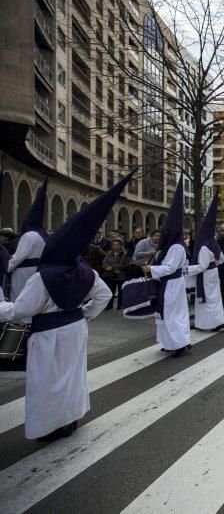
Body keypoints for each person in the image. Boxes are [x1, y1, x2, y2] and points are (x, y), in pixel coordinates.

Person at [0, 172, 131, 440]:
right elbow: (104, 296)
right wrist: (84, 315)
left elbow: (20, 311)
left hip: (48, 335)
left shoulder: (42, 277)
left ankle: (49, 426)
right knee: (72, 376)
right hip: (76, 329)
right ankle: (70, 419)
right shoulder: (84, 270)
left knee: (46, 382)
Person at [143, 175, 191, 357]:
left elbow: (170, 267)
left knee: (172, 314)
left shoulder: (177, 247)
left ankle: (178, 343)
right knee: (167, 314)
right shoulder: (171, 246)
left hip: (172, 284)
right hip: (169, 284)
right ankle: (170, 342)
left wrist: (151, 269)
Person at [187, 192, 224, 331]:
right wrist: (213, 266)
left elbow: (202, 266)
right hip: (213, 273)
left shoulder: (203, 247)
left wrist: (188, 269)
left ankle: (208, 323)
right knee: (215, 298)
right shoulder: (214, 243)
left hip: (206, 275)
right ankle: (219, 320)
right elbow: (221, 259)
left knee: (207, 299)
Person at [8, 178, 49, 302]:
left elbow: (19, 256)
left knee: (21, 298)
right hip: (38, 271)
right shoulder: (43, 235)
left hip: (24, 272)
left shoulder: (29, 235)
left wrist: (7, 267)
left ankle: (21, 321)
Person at [101, 238, 130, 310]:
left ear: (121, 246)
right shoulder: (109, 253)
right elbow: (104, 262)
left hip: (121, 274)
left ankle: (120, 305)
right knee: (110, 290)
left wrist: (112, 267)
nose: (115, 246)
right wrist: (107, 267)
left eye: (117, 245)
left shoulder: (125, 254)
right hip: (110, 274)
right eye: (114, 245)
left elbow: (124, 264)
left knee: (121, 291)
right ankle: (109, 305)